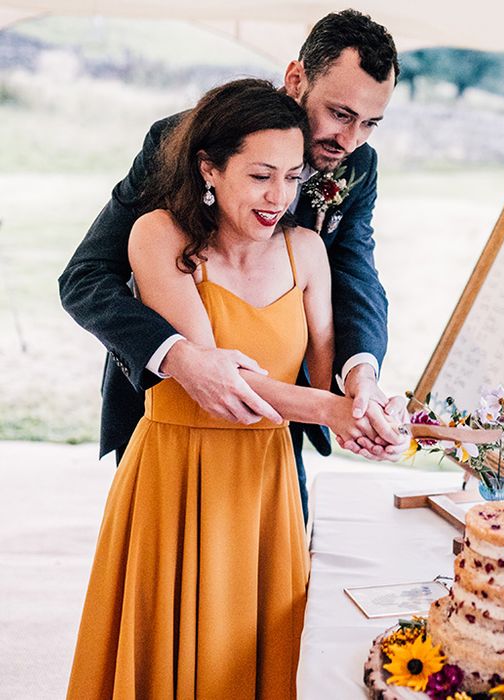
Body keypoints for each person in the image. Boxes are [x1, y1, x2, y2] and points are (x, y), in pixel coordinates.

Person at [67, 78, 373, 699]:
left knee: (261, 651)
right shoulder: (161, 234)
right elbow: (222, 379)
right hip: (177, 467)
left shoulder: (311, 242)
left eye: (293, 178)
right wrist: (337, 411)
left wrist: (365, 392)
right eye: (262, 175)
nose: (281, 196)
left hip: (268, 475)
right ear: (209, 169)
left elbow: (333, 344)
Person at [58, 10, 407, 522]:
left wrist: (361, 378)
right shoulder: (181, 141)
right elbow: (85, 279)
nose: (351, 139)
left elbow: (355, 272)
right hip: (170, 416)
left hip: (281, 419)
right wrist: (179, 358)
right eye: (339, 113)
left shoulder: (355, 165)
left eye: (370, 123)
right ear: (296, 79)